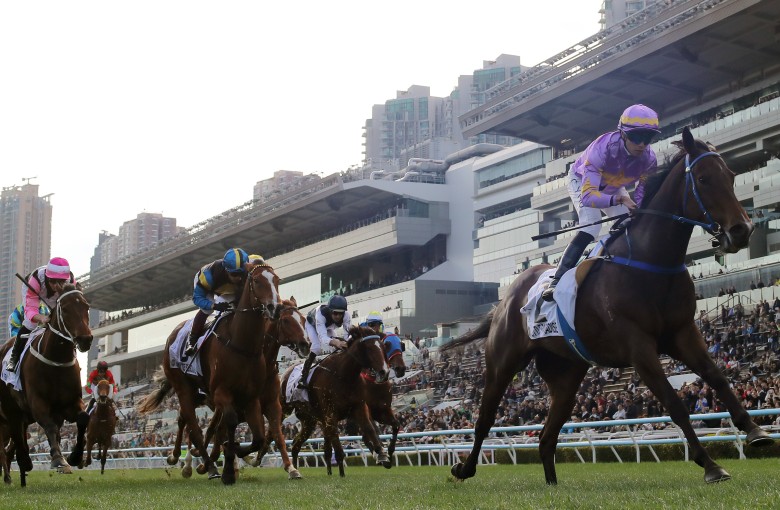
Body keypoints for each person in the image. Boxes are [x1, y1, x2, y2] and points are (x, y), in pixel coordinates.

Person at [542, 104, 661, 301]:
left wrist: (638, 210)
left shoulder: (649, 160)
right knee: (591, 227)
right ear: (623, 134)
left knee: (632, 223)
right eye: (636, 137)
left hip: (613, 186)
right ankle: (557, 279)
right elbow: (589, 197)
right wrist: (620, 198)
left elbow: (642, 194)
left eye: (647, 138)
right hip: (583, 181)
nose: (641, 144)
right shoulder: (602, 148)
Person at [6, 257, 76, 371]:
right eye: (52, 281)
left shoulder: (71, 282)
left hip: (55, 294)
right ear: (47, 277)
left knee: (63, 320)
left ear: (66, 280)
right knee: (30, 324)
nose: (56, 285)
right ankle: (14, 358)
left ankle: (71, 356)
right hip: (33, 289)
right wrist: (41, 318)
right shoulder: (36, 280)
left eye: (61, 282)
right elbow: (31, 309)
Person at [183, 248, 249, 357]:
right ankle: (192, 340)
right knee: (207, 310)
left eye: (242, 273)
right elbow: (197, 298)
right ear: (226, 270)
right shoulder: (208, 277)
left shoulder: (249, 269)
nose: (239, 278)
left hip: (229, 288)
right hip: (210, 287)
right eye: (234, 274)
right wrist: (214, 305)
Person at [298, 294, 352, 389]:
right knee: (316, 347)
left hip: (328, 327)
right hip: (311, 325)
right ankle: (303, 377)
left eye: (341, 313)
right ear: (330, 310)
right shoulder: (321, 314)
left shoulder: (347, 316)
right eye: (335, 313)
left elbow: (347, 336)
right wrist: (335, 342)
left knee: (340, 345)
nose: (338, 316)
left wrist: (346, 343)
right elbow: (323, 337)